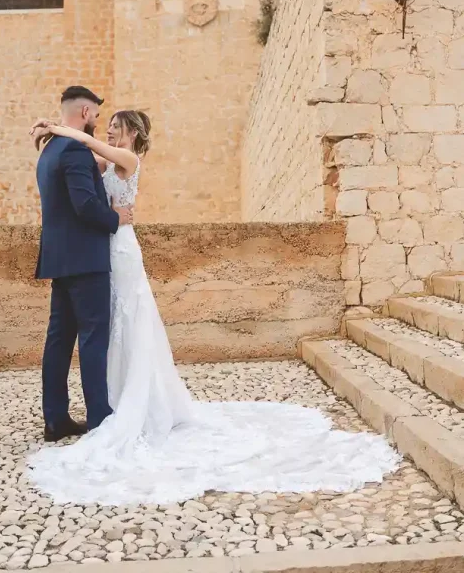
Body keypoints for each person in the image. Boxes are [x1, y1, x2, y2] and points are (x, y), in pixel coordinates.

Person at [28, 105, 400, 506]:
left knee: (126, 322)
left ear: (133, 134)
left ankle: (131, 403)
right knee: (113, 328)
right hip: (105, 253)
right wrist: (53, 135)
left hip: (121, 252)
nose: (112, 133)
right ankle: (114, 400)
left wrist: (61, 129)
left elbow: (86, 142)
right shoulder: (107, 159)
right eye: (111, 129)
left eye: (118, 128)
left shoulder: (129, 159)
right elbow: (85, 161)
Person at [34, 86, 134, 443]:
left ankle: (56, 419)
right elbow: (84, 205)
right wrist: (115, 218)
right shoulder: (75, 150)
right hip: (85, 260)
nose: (98, 122)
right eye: (96, 115)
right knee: (94, 339)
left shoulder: (49, 150)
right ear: (86, 113)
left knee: (58, 341)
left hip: (59, 259)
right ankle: (100, 419)